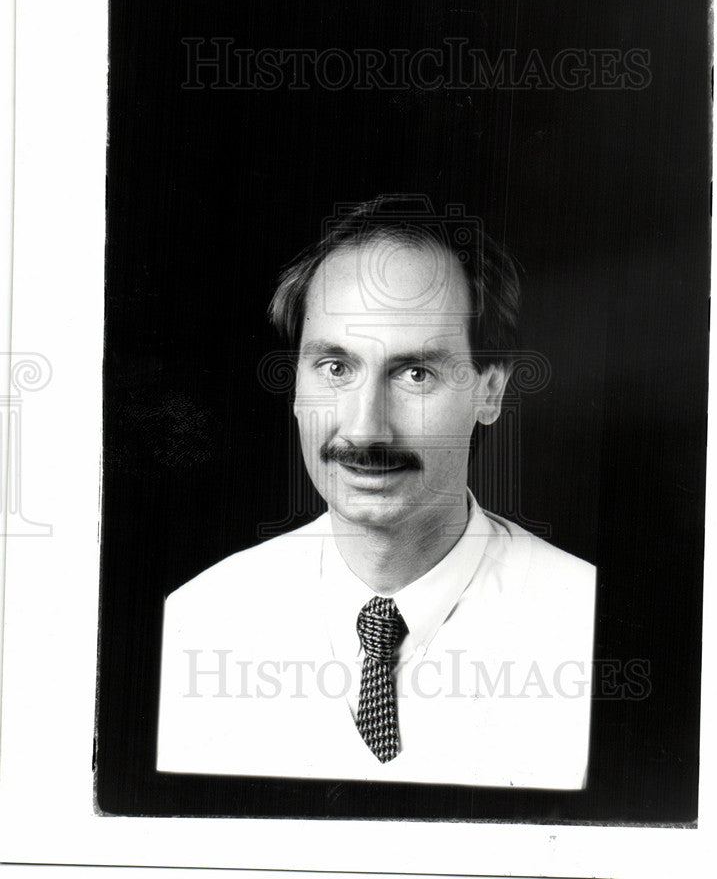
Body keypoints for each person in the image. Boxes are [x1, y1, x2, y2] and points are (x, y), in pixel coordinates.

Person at [157, 196, 596, 789]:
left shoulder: (587, 625)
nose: (365, 429)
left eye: (416, 374)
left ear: (490, 391)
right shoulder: (199, 621)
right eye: (335, 368)